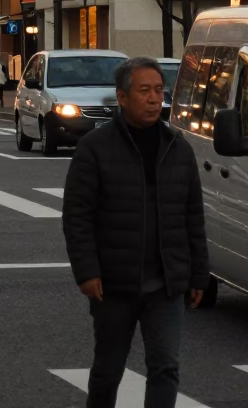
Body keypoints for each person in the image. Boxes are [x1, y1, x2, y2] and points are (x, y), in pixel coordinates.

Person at [62, 56, 209, 408]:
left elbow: (193, 216)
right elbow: (77, 215)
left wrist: (198, 275)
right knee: (109, 369)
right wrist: (87, 271)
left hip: (166, 282)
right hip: (115, 282)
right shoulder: (95, 149)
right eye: (144, 91)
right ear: (122, 97)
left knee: (166, 367)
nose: (154, 98)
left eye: (159, 90)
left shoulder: (178, 148)